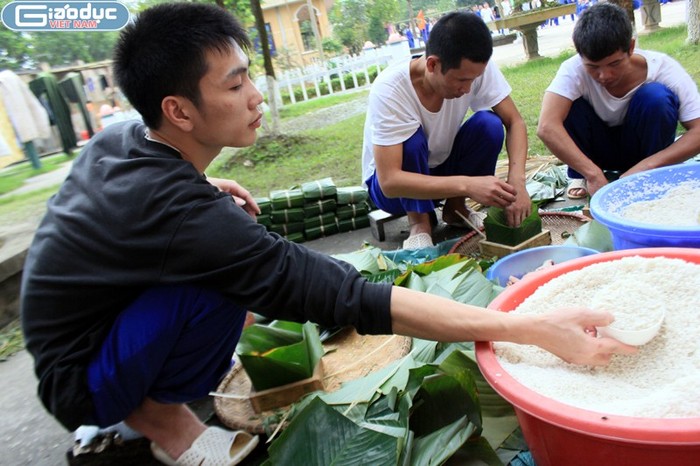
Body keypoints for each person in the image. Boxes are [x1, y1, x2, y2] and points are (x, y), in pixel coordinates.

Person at [20, 3, 636, 466]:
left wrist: (209, 190)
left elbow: (133, 211)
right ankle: (161, 422)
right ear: (178, 110)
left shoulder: (126, 140)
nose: (257, 98)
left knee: (221, 248)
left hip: (93, 321)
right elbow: (344, 296)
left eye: (249, 78)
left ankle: (152, 391)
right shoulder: (178, 216)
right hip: (78, 376)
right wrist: (526, 327)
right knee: (217, 283)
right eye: (234, 85)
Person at [361, 11, 531, 250]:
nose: (467, 88)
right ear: (432, 64)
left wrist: (518, 182)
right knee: (411, 141)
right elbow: (390, 181)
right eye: (461, 81)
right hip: (392, 191)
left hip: (439, 172)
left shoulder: (473, 67)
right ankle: (419, 223)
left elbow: (515, 122)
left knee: (489, 125)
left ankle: (456, 209)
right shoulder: (390, 89)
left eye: (474, 80)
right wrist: (468, 184)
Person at [537, 2, 700, 199]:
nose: (604, 75)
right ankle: (581, 175)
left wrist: (648, 165)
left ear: (630, 47)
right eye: (593, 67)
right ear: (580, 55)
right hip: (597, 151)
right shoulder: (572, 70)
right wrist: (592, 172)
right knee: (565, 106)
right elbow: (546, 126)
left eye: (614, 63)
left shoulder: (663, 69)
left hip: (643, 149)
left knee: (656, 98)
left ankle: (652, 173)